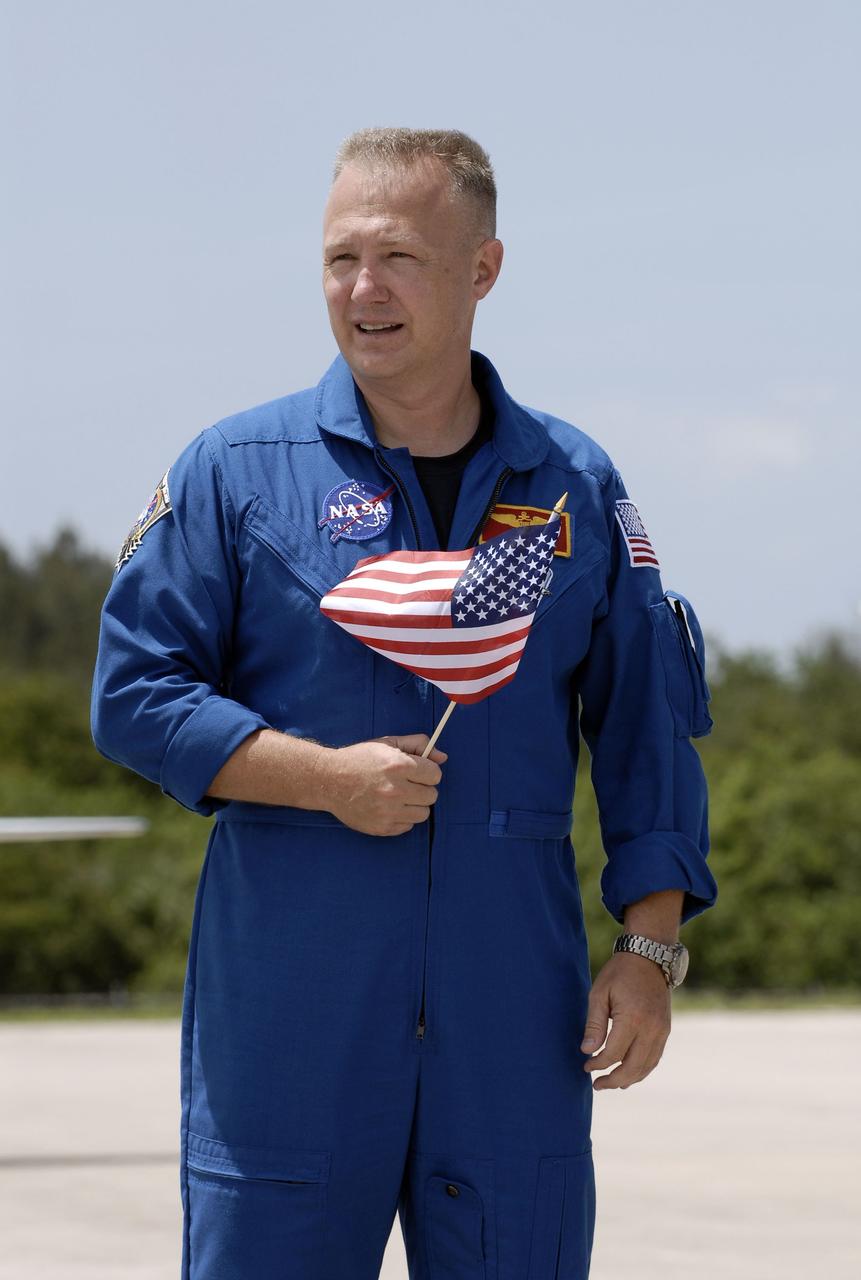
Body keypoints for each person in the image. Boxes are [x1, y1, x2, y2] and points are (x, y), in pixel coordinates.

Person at [91, 127, 717, 1280]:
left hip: (510, 1017)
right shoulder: (235, 470)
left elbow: (648, 726)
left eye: (399, 258)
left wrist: (649, 946)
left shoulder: (572, 486)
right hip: (289, 1013)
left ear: (483, 268)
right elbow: (133, 691)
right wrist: (322, 778)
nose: (363, 288)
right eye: (341, 258)